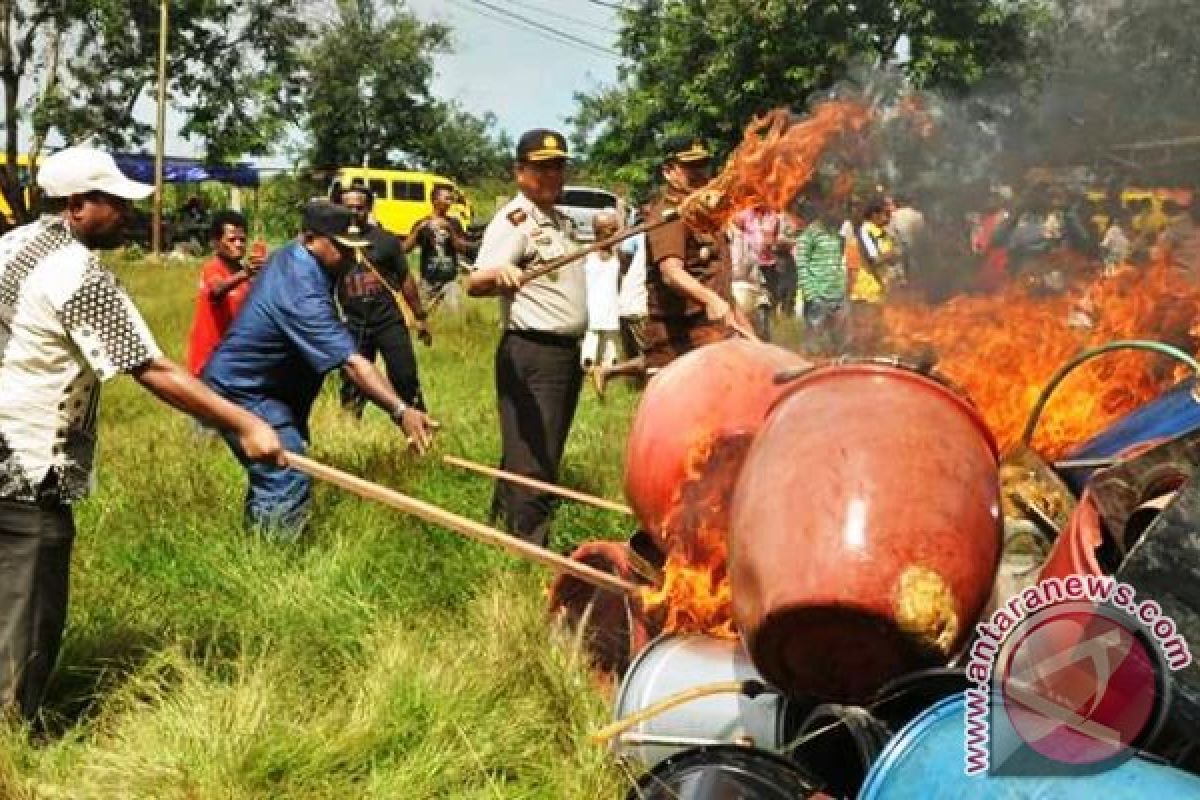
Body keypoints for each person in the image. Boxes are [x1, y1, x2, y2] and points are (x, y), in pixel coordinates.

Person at [0, 146, 283, 724]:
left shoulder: (8, 246)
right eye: (114, 202)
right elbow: (151, 368)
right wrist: (246, 422)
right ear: (77, 205)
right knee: (27, 613)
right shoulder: (79, 273)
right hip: (31, 464)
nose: (127, 213)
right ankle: (9, 739)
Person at [204, 200, 437, 537]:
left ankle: (257, 543)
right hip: (247, 390)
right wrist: (402, 411)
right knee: (285, 466)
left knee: (276, 467)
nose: (351, 257)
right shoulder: (301, 289)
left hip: (273, 390)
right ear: (311, 239)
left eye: (354, 248)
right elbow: (354, 364)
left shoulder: (296, 256)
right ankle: (275, 563)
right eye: (341, 248)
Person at [465, 129, 586, 548]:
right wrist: (500, 276)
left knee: (531, 443)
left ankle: (499, 526)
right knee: (536, 454)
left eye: (558, 166)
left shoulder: (559, 220)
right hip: (534, 351)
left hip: (564, 353)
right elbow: (476, 282)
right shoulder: (514, 220)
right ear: (520, 172)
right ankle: (529, 546)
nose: (552, 174)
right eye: (542, 167)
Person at [592, 137, 756, 393]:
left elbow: (719, 284)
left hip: (711, 339)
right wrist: (710, 300)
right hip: (678, 346)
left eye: (703, 165)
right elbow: (671, 272)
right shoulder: (669, 216)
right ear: (669, 172)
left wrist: (749, 333)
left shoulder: (705, 215)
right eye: (691, 167)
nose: (701, 173)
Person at [333, 184, 431, 416]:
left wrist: (420, 316)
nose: (354, 213)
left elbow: (405, 278)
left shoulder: (386, 241)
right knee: (352, 381)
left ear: (369, 208)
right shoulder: (331, 243)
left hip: (388, 321)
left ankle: (420, 426)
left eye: (360, 207)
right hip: (353, 323)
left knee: (404, 376)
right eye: (348, 208)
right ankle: (348, 431)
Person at [185, 210, 264, 379]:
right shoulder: (213, 268)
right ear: (215, 242)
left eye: (242, 240)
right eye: (231, 240)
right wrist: (246, 273)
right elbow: (217, 290)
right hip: (209, 362)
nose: (238, 244)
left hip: (232, 361)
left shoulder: (244, 275)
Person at [406, 184, 475, 305]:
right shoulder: (422, 223)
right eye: (447, 198)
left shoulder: (454, 223)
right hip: (427, 280)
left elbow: (463, 248)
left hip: (450, 281)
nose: (450, 202)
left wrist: (450, 230)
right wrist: (418, 230)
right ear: (435, 200)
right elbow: (405, 248)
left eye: (451, 199)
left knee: (453, 317)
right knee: (424, 316)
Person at [794, 199, 847, 356]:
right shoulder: (809, 235)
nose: (839, 214)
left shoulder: (836, 235)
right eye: (835, 209)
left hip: (838, 296)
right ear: (825, 211)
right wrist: (811, 294)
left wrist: (842, 288)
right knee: (813, 346)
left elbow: (838, 264)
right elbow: (801, 266)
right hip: (818, 296)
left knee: (840, 346)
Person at [581, 210, 622, 385]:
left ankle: (608, 370)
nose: (614, 232)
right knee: (591, 337)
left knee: (610, 341)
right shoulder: (586, 252)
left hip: (611, 303)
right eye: (610, 228)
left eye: (615, 228)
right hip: (591, 303)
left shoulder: (618, 254)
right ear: (597, 230)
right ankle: (589, 367)